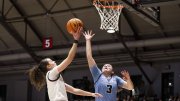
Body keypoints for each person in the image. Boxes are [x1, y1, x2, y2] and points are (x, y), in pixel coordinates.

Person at [28, 27, 102, 101]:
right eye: (51, 61)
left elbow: (74, 90)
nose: (54, 61)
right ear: (48, 66)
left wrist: (91, 94)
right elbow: (69, 58)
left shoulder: (57, 80)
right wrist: (76, 40)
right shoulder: (51, 73)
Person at [83, 30, 134, 101]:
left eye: (109, 66)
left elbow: (130, 87)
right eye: (104, 66)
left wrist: (128, 79)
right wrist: (88, 40)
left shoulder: (116, 79)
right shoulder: (97, 74)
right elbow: (89, 57)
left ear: (112, 71)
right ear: (101, 70)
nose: (106, 66)